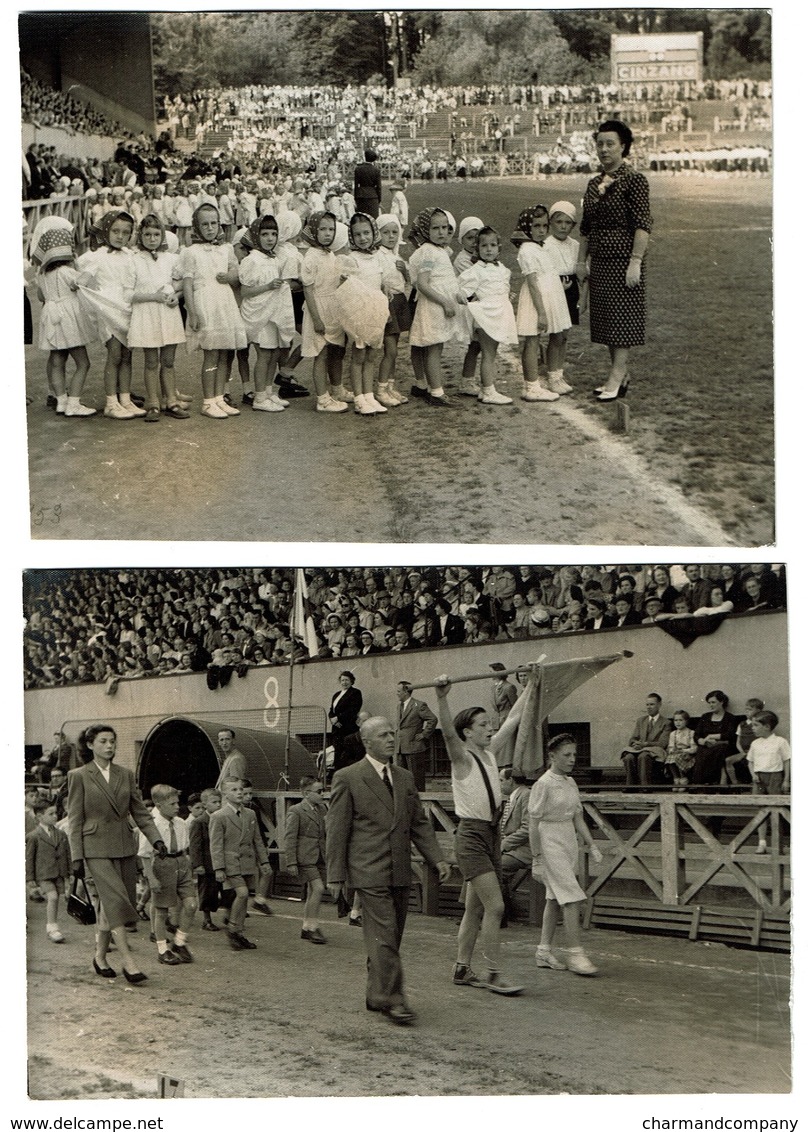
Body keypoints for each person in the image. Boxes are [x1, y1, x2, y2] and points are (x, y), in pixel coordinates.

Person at [325, 716, 452, 1025]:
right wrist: (336, 875)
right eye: (383, 735)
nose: (391, 739)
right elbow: (337, 829)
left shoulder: (405, 778)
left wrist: (437, 858)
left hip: (399, 869)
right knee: (384, 934)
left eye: (393, 733)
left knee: (390, 936)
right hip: (367, 869)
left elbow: (419, 823)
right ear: (367, 742)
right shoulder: (348, 777)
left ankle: (375, 993)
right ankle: (394, 999)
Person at [433, 675, 525, 996]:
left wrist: (530, 687)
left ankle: (461, 968)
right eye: (483, 725)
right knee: (495, 908)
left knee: (475, 909)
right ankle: (494, 973)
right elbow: (446, 732)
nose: (490, 729)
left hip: (491, 836)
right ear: (468, 733)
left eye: (490, 724)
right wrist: (442, 696)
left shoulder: (490, 753)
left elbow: (512, 719)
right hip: (471, 838)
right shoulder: (461, 757)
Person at [67, 724, 166, 983]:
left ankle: (100, 957)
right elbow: (74, 820)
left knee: (113, 907)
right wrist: (77, 857)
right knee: (115, 903)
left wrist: (156, 839)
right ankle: (128, 961)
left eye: (112, 741)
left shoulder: (125, 774)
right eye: (103, 741)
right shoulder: (79, 775)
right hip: (95, 848)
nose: (110, 746)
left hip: (124, 847)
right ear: (90, 745)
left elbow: (140, 812)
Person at [576, 119, 653, 401]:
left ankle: (617, 374)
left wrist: (635, 261)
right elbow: (585, 228)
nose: (604, 149)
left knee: (622, 319)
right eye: (600, 144)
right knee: (608, 320)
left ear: (623, 147)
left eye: (610, 144)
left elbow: (643, 224)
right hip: (601, 260)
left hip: (623, 260)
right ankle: (621, 374)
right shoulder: (594, 183)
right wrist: (580, 262)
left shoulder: (635, 181)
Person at [528, 732, 602, 975]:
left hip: (568, 840)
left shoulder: (571, 783)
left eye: (574, 755)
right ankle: (575, 954)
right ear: (552, 756)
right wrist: (537, 858)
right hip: (549, 841)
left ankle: (543, 951)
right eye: (566, 755)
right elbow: (533, 823)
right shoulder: (543, 784)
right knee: (571, 897)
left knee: (554, 897)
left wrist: (591, 844)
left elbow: (578, 816)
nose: (572, 759)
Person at [178, 203, 248, 419]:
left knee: (224, 353)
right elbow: (187, 284)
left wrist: (231, 276)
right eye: (204, 224)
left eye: (214, 223)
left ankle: (219, 397)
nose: (210, 228)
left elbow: (236, 271)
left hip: (224, 302)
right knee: (211, 354)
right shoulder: (190, 252)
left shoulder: (225, 249)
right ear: (196, 228)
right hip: (205, 302)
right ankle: (208, 401)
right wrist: (193, 311)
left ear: (219, 224)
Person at [76, 209, 142, 419]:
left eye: (125, 232)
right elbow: (84, 278)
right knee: (114, 354)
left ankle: (125, 399)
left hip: (126, 308)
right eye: (115, 231)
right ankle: (111, 402)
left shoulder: (131, 255)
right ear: (106, 231)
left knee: (127, 355)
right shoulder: (98, 257)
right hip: (108, 309)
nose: (120, 236)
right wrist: (79, 282)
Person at [31, 217, 96, 417]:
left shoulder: (42, 275)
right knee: (83, 362)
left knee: (58, 359)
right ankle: (74, 403)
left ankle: (61, 400)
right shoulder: (67, 272)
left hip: (50, 316)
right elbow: (82, 282)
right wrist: (85, 270)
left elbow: (41, 296)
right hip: (68, 318)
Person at [128, 213, 189, 422]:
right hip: (146, 313)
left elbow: (182, 282)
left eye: (156, 234)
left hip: (168, 313)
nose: (152, 239)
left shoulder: (171, 259)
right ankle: (153, 402)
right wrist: (153, 296)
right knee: (151, 361)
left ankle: (171, 400)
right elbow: (129, 293)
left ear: (162, 235)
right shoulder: (134, 260)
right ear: (140, 236)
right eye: (147, 234)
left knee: (169, 361)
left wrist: (176, 296)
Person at [407, 207, 469, 408]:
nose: (442, 232)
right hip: (434, 306)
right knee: (434, 347)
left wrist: (456, 294)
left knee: (429, 346)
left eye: (445, 227)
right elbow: (423, 284)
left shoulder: (438, 250)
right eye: (436, 228)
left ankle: (426, 386)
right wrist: (444, 301)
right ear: (426, 230)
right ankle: (437, 392)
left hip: (440, 304)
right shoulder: (428, 252)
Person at [237, 214, 296, 414]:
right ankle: (259, 396)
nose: (270, 238)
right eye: (264, 234)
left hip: (273, 312)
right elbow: (246, 292)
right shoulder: (251, 260)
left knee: (273, 354)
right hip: (259, 313)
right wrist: (269, 286)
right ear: (256, 236)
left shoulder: (274, 259)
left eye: (273, 234)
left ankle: (269, 392)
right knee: (263, 355)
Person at [456, 226, 518, 404]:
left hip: (498, 313)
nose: (489, 249)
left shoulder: (502, 269)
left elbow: (501, 287)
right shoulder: (476, 270)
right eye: (484, 246)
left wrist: (507, 295)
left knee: (490, 351)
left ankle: (483, 389)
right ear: (477, 249)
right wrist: (461, 295)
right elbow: (464, 289)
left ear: (499, 247)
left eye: (492, 245)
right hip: (486, 315)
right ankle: (489, 391)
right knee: (489, 353)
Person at [209, 775, 270, 951]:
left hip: (247, 862)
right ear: (225, 794)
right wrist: (219, 868)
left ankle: (239, 933)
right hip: (230, 863)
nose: (239, 793)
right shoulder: (219, 816)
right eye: (234, 790)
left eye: (241, 789)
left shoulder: (250, 813)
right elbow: (216, 845)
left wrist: (264, 862)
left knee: (243, 898)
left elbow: (257, 840)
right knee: (242, 894)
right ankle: (232, 929)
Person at [138, 784, 197, 966]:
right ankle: (163, 950)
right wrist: (152, 878)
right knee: (162, 911)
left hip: (181, 864)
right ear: (159, 805)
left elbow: (185, 847)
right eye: (172, 804)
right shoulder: (152, 825)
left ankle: (179, 942)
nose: (178, 807)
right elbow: (145, 855)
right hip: (162, 865)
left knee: (191, 904)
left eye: (177, 803)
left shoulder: (180, 823)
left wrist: (188, 868)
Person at [514, 205, 566, 403]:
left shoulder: (539, 246)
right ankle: (532, 386)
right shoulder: (527, 250)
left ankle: (538, 383)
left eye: (545, 225)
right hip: (536, 301)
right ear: (527, 227)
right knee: (532, 340)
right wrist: (542, 312)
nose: (542, 230)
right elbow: (533, 283)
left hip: (547, 297)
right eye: (536, 226)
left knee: (537, 339)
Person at [300, 210, 349, 413]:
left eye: (331, 229)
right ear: (313, 231)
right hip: (318, 308)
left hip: (333, 307)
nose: (328, 233)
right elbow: (309, 290)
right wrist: (317, 319)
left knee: (335, 350)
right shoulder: (311, 257)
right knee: (320, 353)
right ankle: (322, 398)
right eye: (322, 229)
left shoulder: (330, 255)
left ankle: (337, 389)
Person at [542, 200, 580, 395]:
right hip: (554, 288)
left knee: (564, 336)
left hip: (570, 289)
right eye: (559, 222)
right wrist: (557, 285)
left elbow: (578, 269)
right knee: (556, 336)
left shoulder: (575, 245)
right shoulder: (546, 245)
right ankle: (552, 376)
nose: (563, 226)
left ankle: (559, 373)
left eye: (568, 223)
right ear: (551, 223)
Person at [285, 775, 329, 943]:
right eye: (319, 791)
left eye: (323, 790)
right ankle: (312, 926)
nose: (322, 794)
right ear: (306, 793)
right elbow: (290, 837)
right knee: (318, 888)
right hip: (305, 857)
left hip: (320, 855)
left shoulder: (322, 809)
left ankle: (306, 927)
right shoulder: (296, 811)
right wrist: (291, 861)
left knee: (313, 891)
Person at [26, 796, 71, 943]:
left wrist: (69, 873)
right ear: (39, 816)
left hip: (58, 873)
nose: (55, 816)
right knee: (53, 897)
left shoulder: (61, 834)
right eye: (50, 814)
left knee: (57, 899)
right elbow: (29, 858)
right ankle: (52, 928)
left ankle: (53, 926)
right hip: (43, 874)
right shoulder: (34, 836)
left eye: (55, 813)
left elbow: (67, 854)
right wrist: (30, 878)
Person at [747, 710, 790, 853]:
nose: (752, 728)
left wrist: (786, 780)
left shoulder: (780, 742)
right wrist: (753, 775)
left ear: (767, 726)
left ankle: (778, 843)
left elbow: (786, 761)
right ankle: (762, 842)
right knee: (761, 811)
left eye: (755, 725)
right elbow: (750, 762)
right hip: (759, 779)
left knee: (776, 811)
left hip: (775, 777)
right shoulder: (755, 743)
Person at [499, 767, 532, 924]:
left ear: (510, 780)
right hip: (511, 847)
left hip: (524, 849)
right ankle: (474, 912)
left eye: (501, 781)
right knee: (480, 863)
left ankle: (499, 914)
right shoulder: (512, 797)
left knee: (495, 868)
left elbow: (527, 828)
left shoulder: (526, 795)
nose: (499, 785)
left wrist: (504, 844)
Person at [189, 787, 225, 931]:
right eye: (214, 802)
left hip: (221, 861)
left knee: (225, 890)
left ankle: (228, 915)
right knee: (207, 891)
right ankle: (207, 919)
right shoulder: (199, 822)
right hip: (207, 863)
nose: (218, 804)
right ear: (205, 805)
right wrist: (197, 864)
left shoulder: (223, 819)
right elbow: (195, 846)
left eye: (219, 801)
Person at [619, 693, 672, 786]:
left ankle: (645, 786)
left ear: (659, 705)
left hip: (655, 751)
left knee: (643, 756)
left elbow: (663, 743)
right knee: (628, 757)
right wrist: (635, 743)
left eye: (652, 704)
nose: (649, 707)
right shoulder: (641, 720)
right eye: (647, 705)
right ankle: (630, 786)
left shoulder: (666, 722)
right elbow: (633, 738)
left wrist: (645, 744)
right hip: (639, 749)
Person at [395, 680, 437, 791]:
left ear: (406, 691)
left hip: (414, 748)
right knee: (401, 779)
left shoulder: (418, 705)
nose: (397, 693)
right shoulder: (399, 706)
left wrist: (424, 734)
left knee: (416, 780)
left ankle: (420, 804)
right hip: (400, 748)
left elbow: (432, 719)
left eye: (399, 691)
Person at [692, 690, 739, 786]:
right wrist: (702, 741)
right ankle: (701, 783)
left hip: (723, 745)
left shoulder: (730, 718)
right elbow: (696, 735)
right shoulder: (705, 716)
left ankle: (718, 782)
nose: (711, 705)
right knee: (701, 751)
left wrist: (712, 736)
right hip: (706, 746)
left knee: (721, 750)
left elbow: (730, 735)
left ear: (721, 702)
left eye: (713, 702)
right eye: (709, 703)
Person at [726, 698, 764, 785]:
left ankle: (754, 781)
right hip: (744, 752)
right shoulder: (742, 724)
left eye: (750, 710)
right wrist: (742, 752)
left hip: (756, 752)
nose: (747, 712)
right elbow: (738, 741)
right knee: (728, 760)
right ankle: (735, 783)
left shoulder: (759, 724)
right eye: (746, 709)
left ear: (758, 711)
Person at [328, 670, 363, 766]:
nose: (344, 682)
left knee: (347, 753)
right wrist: (333, 720)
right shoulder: (336, 694)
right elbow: (331, 710)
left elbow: (353, 709)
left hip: (347, 728)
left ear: (351, 681)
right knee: (337, 752)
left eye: (347, 680)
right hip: (336, 729)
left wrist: (338, 718)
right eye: (342, 680)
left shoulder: (355, 693)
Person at [664, 710, 698, 789]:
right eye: (675, 720)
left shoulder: (691, 733)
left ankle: (683, 778)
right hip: (676, 753)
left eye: (680, 720)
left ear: (686, 721)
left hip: (688, 754)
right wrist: (672, 750)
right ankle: (676, 778)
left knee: (679, 757)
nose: (678, 723)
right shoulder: (673, 734)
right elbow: (671, 746)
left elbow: (694, 748)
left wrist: (685, 751)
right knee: (670, 757)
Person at [353, 148, 382, 219]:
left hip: (361, 195)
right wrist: (379, 199)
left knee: (362, 219)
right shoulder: (376, 170)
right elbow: (379, 186)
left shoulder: (358, 169)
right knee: (373, 218)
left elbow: (356, 185)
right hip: (372, 195)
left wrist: (356, 197)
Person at [490, 662, 518, 727]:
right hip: (496, 721)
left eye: (491, 672)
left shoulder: (508, 687)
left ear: (498, 672)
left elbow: (515, 705)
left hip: (506, 720)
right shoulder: (493, 687)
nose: (489, 674)